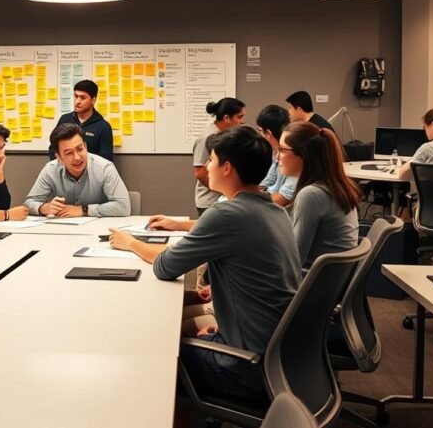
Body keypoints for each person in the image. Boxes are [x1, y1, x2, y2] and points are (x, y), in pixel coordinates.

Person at [109, 126, 301, 401]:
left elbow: (165, 267)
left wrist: (130, 242)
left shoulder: (226, 214)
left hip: (246, 366)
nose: (206, 167)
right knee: (177, 322)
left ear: (227, 168)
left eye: (211, 159)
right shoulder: (274, 210)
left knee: (151, 347)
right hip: (275, 354)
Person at [277, 121, 360, 265]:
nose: (277, 156)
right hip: (325, 280)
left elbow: (295, 259)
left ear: (303, 155)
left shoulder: (312, 195)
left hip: (310, 282)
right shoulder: (333, 186)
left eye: (282, 150)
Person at [25, 123, 130, 217]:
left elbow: (123, 207)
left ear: (85, 146)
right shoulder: (50, 170)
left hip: (97, 230)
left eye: (80, 149)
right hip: (63, 230)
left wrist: (83, 210)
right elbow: (28, 203)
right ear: (59, 157)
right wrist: (44, 208)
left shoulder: (104, 168)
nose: (77, 157)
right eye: (69, 153)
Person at [193, 97, 246, 215]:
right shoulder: (207, 137)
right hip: (210, 203)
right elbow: (200, 173)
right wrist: (224, 191)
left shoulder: (225, 136)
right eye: (239, 117)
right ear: (227, 118)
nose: (242, 122)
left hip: (223, 200)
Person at [49, 80, 114, 162]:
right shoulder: (65, 119)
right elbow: (53, 148)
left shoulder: (103, 126)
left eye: (83, 98)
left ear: (93, 100)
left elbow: (106, 159)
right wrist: (62, 166)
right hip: (65, 171)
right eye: (76, 96)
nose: (77, 101)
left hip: (91, 173)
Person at [256, 104, 297, 207]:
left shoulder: (294, 157)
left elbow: (284, 197)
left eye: (260, 131)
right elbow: (267, 182)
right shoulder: (276, 153)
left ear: (268, 133)